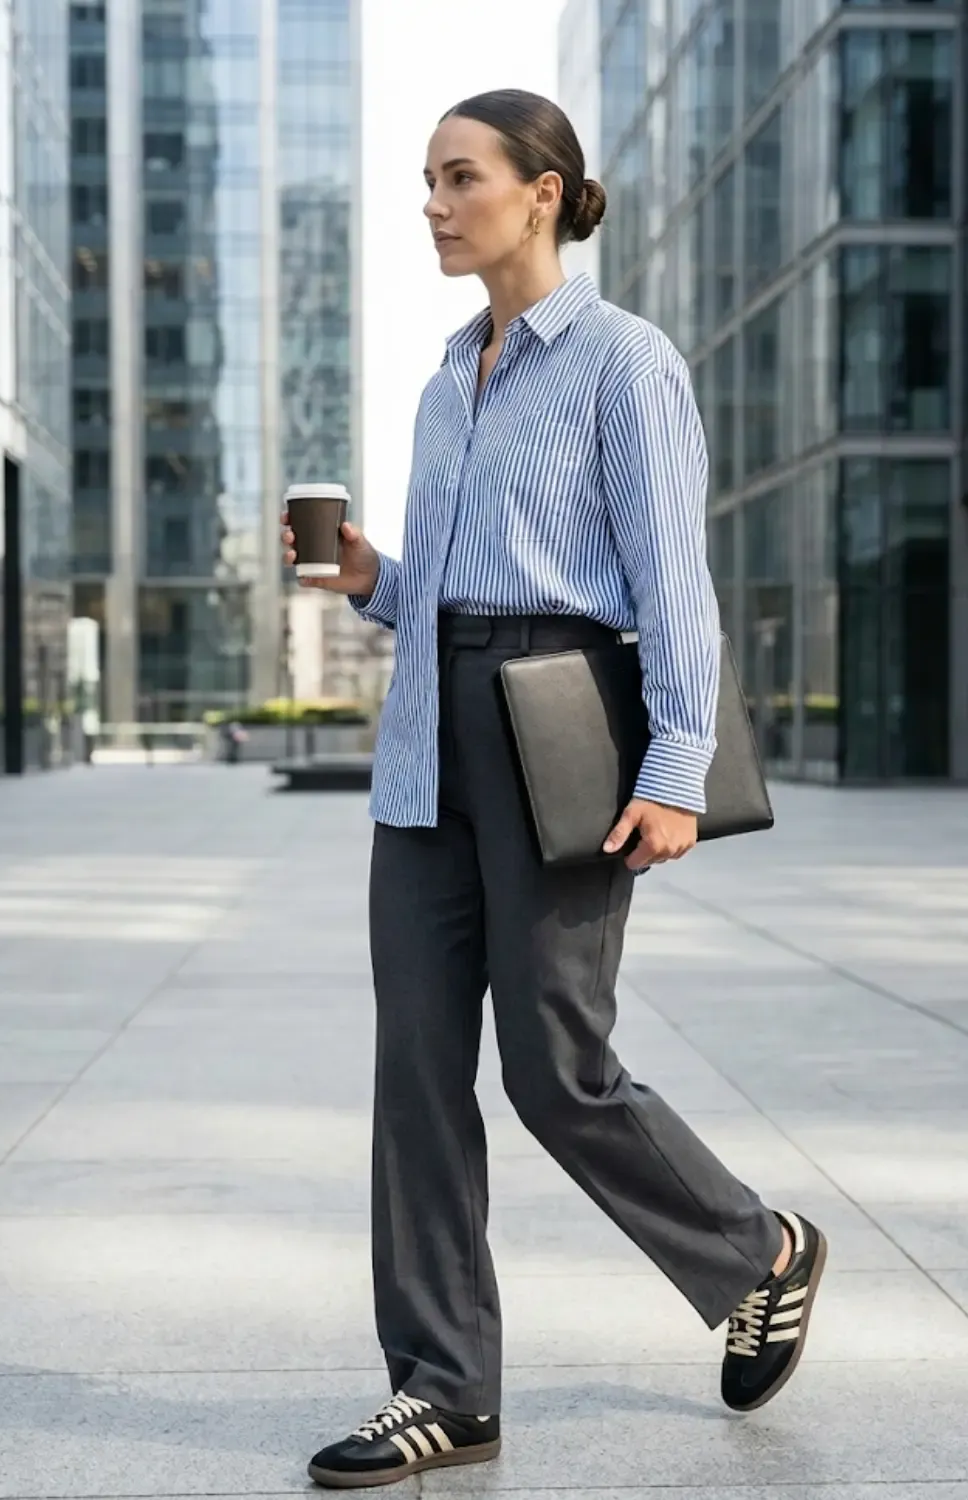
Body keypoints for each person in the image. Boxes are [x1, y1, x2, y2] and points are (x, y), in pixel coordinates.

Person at [282, 89, 827, 1490]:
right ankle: (446, 1389)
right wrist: (373, 581)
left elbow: (668, 589)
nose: (434, 203)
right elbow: (456, 591)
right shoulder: (440, 377)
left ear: (543, 191)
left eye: (460, 177)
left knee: (554, 1068)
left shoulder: (624, 364)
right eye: (424, 179)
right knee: (415, 1074)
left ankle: (755, 1249)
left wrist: (678, 773)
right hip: (427, 745)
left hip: (559, 727)